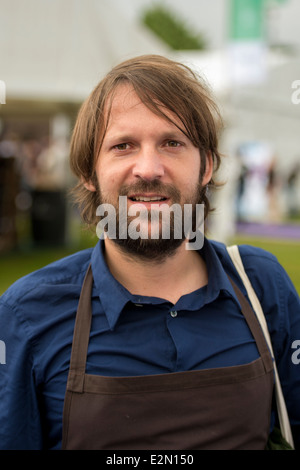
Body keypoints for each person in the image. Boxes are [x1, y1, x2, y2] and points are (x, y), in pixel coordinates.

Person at [0, 55, 299, 450]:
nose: (148, 168)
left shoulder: (260, 284)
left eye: (172, 143)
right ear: (89, 172)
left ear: (206, 165)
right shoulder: (27, 312)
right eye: (123, 146)